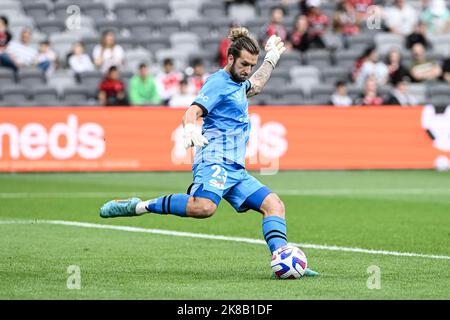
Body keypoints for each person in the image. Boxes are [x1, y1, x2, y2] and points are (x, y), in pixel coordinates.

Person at [99, 27, 319, 277]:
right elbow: (192, 111)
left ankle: (284, 261)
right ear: (231, 59)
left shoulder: (239, 82)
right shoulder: (217, 83)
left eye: (252, 64)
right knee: (203, 207)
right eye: (244, 64)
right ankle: (138, 206)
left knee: (274, 205)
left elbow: (255, 85)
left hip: (235, 167)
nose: (248, 70)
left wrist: (270, 60)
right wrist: (190, 128)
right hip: (214, 158)